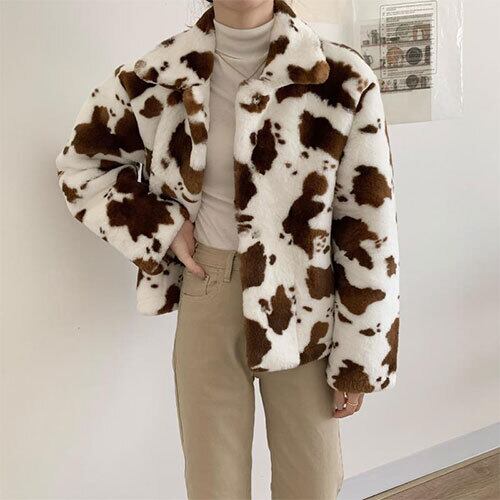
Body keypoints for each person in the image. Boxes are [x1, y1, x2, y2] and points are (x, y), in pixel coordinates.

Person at [55, 0, 400, 497]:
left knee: (314, 482)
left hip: (303, 301)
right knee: (213, 483)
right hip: (208, 286)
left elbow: (368, 224)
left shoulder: (340, 77)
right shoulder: (159, 75)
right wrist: (163, 226)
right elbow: (82, 165)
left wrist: (360, 356)